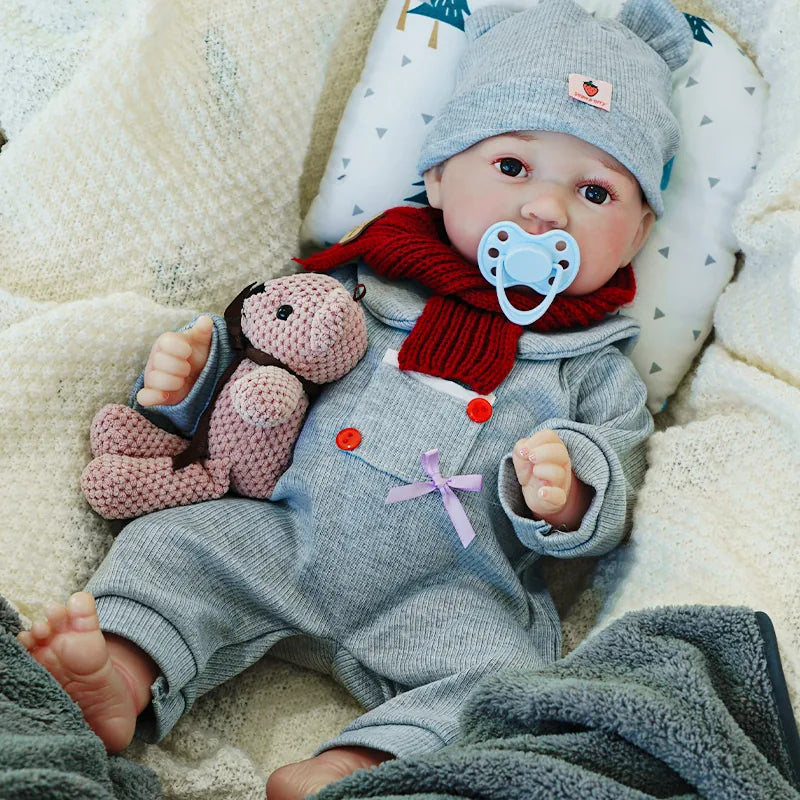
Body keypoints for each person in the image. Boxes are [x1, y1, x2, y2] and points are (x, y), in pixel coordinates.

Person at [18, 0, 692, 797]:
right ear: (439, 174)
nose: (545, 210)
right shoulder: (365, 278)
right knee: (174, 547)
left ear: (641, 231)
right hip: (281, 529)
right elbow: (266, 348)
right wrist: (190, 378)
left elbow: (614, 491)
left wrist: (571, 489)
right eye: (512, 167)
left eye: (596, 192)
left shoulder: (593, 367)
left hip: (446, 591)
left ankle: (355, 768)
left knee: (507, 682)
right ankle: (125, 669)